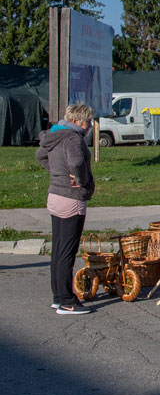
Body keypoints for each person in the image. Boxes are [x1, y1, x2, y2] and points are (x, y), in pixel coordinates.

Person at [36, 104, 95, 315]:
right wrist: (81, 180)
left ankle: (58, 296)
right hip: (71, 198)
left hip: (55, 195)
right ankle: (67, 301)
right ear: (77, 121)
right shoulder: (73, 137)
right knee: (67, 253)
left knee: (58, 249)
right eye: (88, 122)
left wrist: (57, 174)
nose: (90, 126)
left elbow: (40, 156)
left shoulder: (54, 135)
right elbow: (77, 162)